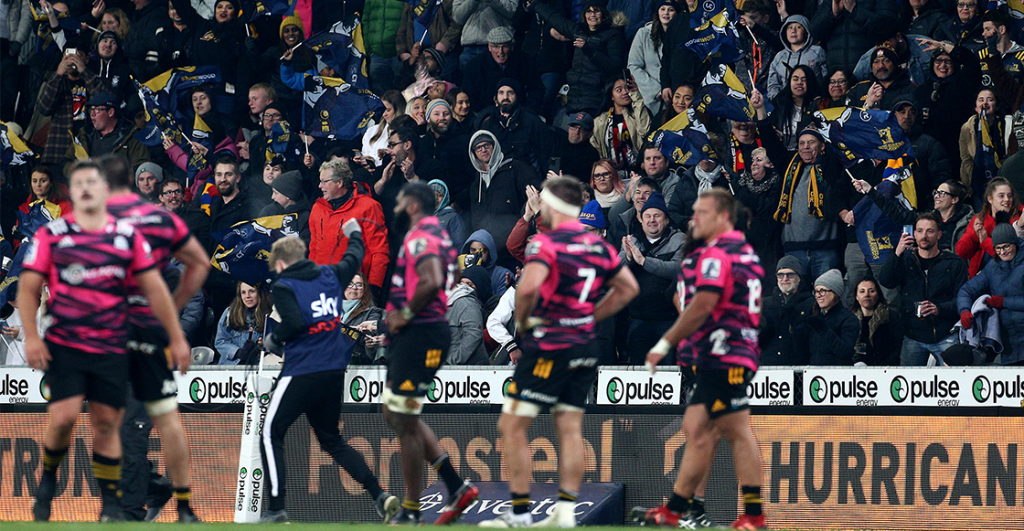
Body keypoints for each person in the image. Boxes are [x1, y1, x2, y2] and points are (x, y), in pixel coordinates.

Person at [20, 160, 190, 522]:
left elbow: (155, 289)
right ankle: (48, 480)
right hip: (65, 342)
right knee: (64, 418)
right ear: (70, 191)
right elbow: (28, 286)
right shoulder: (51, 234)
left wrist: (174, 336)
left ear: (103, 191)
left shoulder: (127, 238)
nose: (85, 189)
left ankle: (114, 506)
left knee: (107, 423)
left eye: (92, 183)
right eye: (77, 182)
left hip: (113, 344)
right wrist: (32, 336)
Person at [480, 176, 638, 527]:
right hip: (584, 345)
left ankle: (520, 513)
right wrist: (590, 316)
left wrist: (527, 325)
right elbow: (628, 288)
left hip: (550, 345)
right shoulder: (598, 246)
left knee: (513, 425)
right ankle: (565, 513)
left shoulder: (548, 245)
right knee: (569, 428)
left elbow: (527, 290)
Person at [643, 188, 766, 531]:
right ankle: (678, 509)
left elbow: (702, 304)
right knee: (697, 428)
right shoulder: (745, 252)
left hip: (723, 352)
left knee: (736, 430)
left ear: (723, 217)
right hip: (728, 351)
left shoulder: (717, 254)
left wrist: (665, 342)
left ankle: (752, 515)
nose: (694, 217)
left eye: (702, 212)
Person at [257, 228, 399, 523]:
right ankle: (378, 495)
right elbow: (354, 255)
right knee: (332, 440)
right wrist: (355, 233)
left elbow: (293, 323)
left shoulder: (284, 285)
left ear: (281, 263)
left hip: (303, 370)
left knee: (270, 433)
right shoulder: (331, 275)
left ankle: (276, 509)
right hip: (334, 371)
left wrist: (274, 340)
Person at [97, 153, 209, 522]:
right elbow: (199, 264)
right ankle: (158, 491)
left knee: (130, 424)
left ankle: (128, 511)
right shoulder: (159, 219)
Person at [383, 182, 479, 525]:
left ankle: (411, 509)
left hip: (419, 332)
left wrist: (403, 315)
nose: (395, 208)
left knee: (403, 420)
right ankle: (455, 485)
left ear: (411, 205)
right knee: (395, 414)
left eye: (399, 202)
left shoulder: (420, 235)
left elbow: (432, 278)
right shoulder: (439, 233)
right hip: (419, 333)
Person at [753, 88, 845, 280]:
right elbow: (770, 142)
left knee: (826, 298)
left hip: (826, 249)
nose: (805, 147)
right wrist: (760, 109)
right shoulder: (789, 166)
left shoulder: (831, 166)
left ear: (822, 146)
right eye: (801, 143)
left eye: (811, 142)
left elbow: (842, 144)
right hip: (793, 250)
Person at [879, 212, 969, 366]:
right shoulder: (905, 260)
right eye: (920, 231)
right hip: (913, 335)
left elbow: (962, 300)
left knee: (952, 384)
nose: (924, 236)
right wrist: (897, 253)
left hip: (946, 334)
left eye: (930, 231)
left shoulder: (954, 263)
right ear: (913, 233)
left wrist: (939, 309)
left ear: (939, 235)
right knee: (908, 386)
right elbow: (886, 281)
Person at [310, 158, 390, 300]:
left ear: (339, 182)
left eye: (324, 181)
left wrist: (373, 287)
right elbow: (314, 248)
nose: (319, 186)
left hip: (354, 290)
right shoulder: (318, 208)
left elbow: (379, 251)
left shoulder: (369, 207)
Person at [529, 0, 628, 115]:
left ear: (604, 14)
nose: (592, 15)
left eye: (596, 11)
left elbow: (614, 66)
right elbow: (557, 20)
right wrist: (536, 5)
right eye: (588, 11)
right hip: (575, 98)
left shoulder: (613, 35)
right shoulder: (579, 31)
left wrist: (588, 49)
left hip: (597, 99)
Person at [620, 191, 685, 365]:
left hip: (668, 321)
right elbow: (616, 271)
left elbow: (677, 269)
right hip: (638, 320)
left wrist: (643, 261)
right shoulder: (632, 240)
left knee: (669, 372)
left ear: (666, 219)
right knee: (638, 372)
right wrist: (628, 259)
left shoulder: (679, 240)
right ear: (641, 220)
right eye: (647, 216)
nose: (652, 220)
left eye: (657, 215)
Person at [467, 131, 540, 268]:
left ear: (495, 147)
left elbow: (535, 193)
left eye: (487, 145)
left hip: (513, 247)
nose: (483, 150)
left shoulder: (514, 167)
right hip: (487, 250)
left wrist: (522, 222)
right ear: (474, 153)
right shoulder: (477, 182)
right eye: (478, 148)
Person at [957, 223, 1024, 365]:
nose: (1002, 252)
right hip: (1008, 345)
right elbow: (967, 289)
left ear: (1015, 243)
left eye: (1006, 246)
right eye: (998, 248)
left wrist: (1004, 302)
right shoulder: (993, 267)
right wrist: (964, 310)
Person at [914, 39, 983, 166]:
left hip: (956, 148)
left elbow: (972, 61)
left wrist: (942, 46)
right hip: (929, 153)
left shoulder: (964, 84)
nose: (943, 65)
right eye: (938, 61)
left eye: (948, 61)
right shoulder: (922, 90)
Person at [36, 48, 108, 168]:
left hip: (90, 147)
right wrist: (58, 73)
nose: (72, 60)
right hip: (59, 149)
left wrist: (84, 71)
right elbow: (44, 108)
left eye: (77, 56)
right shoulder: (56, 82)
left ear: (86, 59)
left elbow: (106, 102)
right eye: (67, 56)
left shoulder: (94, 81)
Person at [475, 78, 551, 173]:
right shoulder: (488, 125)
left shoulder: (532, 122)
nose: (505, 97)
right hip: (499, 178)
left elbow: (546, 154)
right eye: (501, 93)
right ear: (495, 98)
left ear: (517, 96)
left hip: (529, 178)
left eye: (510, 93)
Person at [463, 27, 545, 114]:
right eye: (496, 47)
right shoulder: (475, 66)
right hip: (486, 115)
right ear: (489, 47)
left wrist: (527, 113)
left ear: (512, 47)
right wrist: (484, 117)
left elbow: (537, 90)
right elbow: (469, 96)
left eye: (504, 46)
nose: (500, 52)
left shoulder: (525, 61)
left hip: (520, 114)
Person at [959, 89, 1017, 206]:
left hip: (1004, 182)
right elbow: (965, 158)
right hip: (978, 184)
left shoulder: (1008, 124)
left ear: (996, 106)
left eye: (990, 100)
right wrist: (976, 176)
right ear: (976, 107)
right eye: (981, 100)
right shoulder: (967, 127)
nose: (985, 103)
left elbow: (1012, 154)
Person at [956, 178, 1023, 277]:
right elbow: (961, 252)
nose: (1007, 200)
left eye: (1009, 196)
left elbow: (1009, 257)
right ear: (990, 199)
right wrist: (975, 235)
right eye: (1001, 196)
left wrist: (984, 241)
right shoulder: (979, 220)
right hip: (980, 277)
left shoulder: (1019, 221)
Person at [809, 0, 899, 72]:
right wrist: (832, 14)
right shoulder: (830, 2)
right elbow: (815, 32)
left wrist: (855, 10)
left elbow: (888, 28)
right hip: (837, 73)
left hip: (871, 70)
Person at [628, 0, 681, 117]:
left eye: (671, 10)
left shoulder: (683, 35)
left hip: (676, 98)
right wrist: (656, 90)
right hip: (649, 99)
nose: (666, 13)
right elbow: (633, 65)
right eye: (662, 9)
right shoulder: (643, 33)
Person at [797, 269, 858, 365]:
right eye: (816, 291)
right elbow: (804, 352)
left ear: (835, 292)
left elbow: (846, 352)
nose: (818, 295)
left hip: (839, 377)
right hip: (814, 375)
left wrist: (823, 330)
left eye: (823, 291)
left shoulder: (849, 319)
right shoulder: (814, 317)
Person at [759, 255, 812, 366]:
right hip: (768, 368)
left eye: (790, 275)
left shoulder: (810, 303)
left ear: (799, 277)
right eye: (780, 275)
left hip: (799, 367)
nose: (785, 279)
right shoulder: (765, 304)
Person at [591, 77, 653, 171]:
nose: (625, 92)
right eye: (619, 90)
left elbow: (645, 131)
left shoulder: (638, 114)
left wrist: (636, 95)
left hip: (639, 170)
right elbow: (596, 147)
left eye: (627, 88)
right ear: (611, 96)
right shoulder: (600, 121)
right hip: (611, 172)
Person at [766, 15, 827, 100]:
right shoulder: (780, 56)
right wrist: (777, 100)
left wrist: (820, 98)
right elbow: (773, 84)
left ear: (806, 32)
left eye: (798, 27)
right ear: (784, 32)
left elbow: (825, 79)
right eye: (789, 28)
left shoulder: (817, 52)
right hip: (786, 105)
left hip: (812, 102)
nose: (793, 31)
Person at [845, 45, 917, 112]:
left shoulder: (911, 89)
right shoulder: (858, 90)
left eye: (886, 61)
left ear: (895, 64)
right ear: (871, 66)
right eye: (876, 62)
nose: (881, 66)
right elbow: (846, 118)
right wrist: (868, 105)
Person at [215, 282, 271, 366]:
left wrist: (264, 346)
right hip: (230, 368)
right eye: (243, 292)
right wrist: (238, 352)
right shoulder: (230, 312)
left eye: (252, 291)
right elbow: (220, 341)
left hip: (257, 368)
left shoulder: (270, 314)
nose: (247, 296)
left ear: (260, 293)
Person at [446, 264, 491, 365]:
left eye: (470, 284)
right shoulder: (447, 302)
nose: (464, 286)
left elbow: (474, 335)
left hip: (469, 372)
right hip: (449, 372)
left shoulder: (467, 304)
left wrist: (452, 362)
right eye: (462, 282)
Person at [851, 277, 901, 366]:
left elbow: (898, 347)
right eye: (862, 291)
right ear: (856, 296)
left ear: (878, 295)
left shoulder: (890, 316)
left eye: (871, 291)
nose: (867, 295)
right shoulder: (849, 319)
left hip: (886, 368)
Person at [770, 65, 822, 150]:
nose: (799, 82)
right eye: (795, 79)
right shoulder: (778, 103)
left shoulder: (819, 105)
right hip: (781, 153)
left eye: (804, 80)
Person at [342, 273, 385, 365]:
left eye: (359, 285)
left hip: (354, 362)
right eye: (350, 283)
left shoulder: (372, 312)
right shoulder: (330, 309)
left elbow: (369, 340)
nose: (354, 287)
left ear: (364, 289)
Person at [259, 170, 312, 244]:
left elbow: (305, 244)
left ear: (288, 195)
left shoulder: (305, 217)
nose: (272, 197)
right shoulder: (268, 211)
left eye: (275, 193)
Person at [158, 178, 212, 251]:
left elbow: (204, 250)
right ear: (161, 198)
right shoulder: (155, 219)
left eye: (178, 192)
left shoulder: (199, 217)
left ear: (183, 196)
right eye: (168, 192)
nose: (173, 196)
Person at [360, 90, 406, 170]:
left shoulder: (405, 132)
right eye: (383, 110)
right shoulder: (372, 130)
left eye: (388, 110)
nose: (384, 114)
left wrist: (376, 162)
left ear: (398, 109)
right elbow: (364, 153)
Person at [428, 179, 467, 251]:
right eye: (432, 195)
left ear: (445, 197)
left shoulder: (453, 217)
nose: (436, 198)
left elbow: (459, 243)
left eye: (440, 195)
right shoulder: (422, 216)